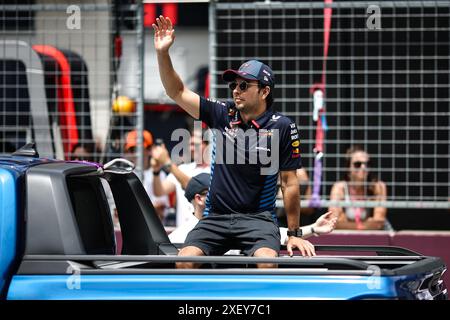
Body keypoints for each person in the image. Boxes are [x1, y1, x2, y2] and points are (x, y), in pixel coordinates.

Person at [153, 16, 320, 268]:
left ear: (264, 92)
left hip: (259, 219)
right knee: (184, 262)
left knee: (267, 264)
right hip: (216, 218)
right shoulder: (221, 112)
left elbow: (290, 183)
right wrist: (163, 53)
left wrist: (294, 234)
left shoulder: (282, 126)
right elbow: (176, 91)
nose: (236, 90)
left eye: (244, 85)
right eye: (233, 84)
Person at [169, 173, 337, 245]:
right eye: (219, 190)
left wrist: (315, 228)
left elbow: (277, 234)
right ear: (199, 199)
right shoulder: (180, 235)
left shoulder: (234, 220)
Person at [151, 129, 211, 227]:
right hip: (183, 232)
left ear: (207, 145)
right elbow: (159, 191)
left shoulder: (214, 170)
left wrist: (167, 162)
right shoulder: (183, 168)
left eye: (195, 144)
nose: (191, 148)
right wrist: (156, 171)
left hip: (204, 232)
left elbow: (192, 186)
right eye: (190, 145)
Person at [328, 145, 391, 230]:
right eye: (357, 164)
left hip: (377, 236)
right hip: (350, 237)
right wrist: (364, 225)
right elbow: (334, 221)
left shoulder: (379, 187)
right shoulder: (339, 188)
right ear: (348, 168)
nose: (363, 167)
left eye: (367, 164)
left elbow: (378, 223)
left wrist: (346, 223)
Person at [124, 129, 170, 222]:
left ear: (149, 150)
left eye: (138, 149)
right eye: (132, 150)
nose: (135, 154)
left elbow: (161, 211)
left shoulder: (160, 175)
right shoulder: (124, 175)